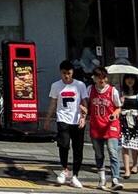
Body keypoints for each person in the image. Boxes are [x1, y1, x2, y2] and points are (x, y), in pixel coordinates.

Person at [50, 60, 90, 188]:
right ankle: (64, 169)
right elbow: (53, 103)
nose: (66, 76)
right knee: (64, 144)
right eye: (64, 73)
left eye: (69, 73)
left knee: (78, 148)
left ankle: (75, 176)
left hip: (77, 119)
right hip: (63, 118)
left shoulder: (80, 85)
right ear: (60, 73)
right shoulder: (56, 86)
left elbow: (84, 102)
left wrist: (84, 116)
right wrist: (47, 119)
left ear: (72, 72)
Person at [86, 67, 124, 190]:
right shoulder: (90, 90)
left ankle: (115, 179)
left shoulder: (113, 91)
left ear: (106, 78)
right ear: (94, 78)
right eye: (98, 77)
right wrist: (83, 111)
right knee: (98, 153)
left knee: (113, 152)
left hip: (110, 126)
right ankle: (102, 178)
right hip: (96, 125)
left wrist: (115, 113)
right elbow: (85, 105)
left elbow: (118, 107)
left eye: (103, 77)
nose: (101, 80)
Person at [120, 75, 138, 177]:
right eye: (128, 79)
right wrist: (120, 102)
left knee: (134, 145)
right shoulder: (121, 92)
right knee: (124, 145)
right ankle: (127, 169)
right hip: (123, 120)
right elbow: (116, 107)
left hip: (135, 120)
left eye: (132, 79)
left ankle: (135, 164)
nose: (130, 81)